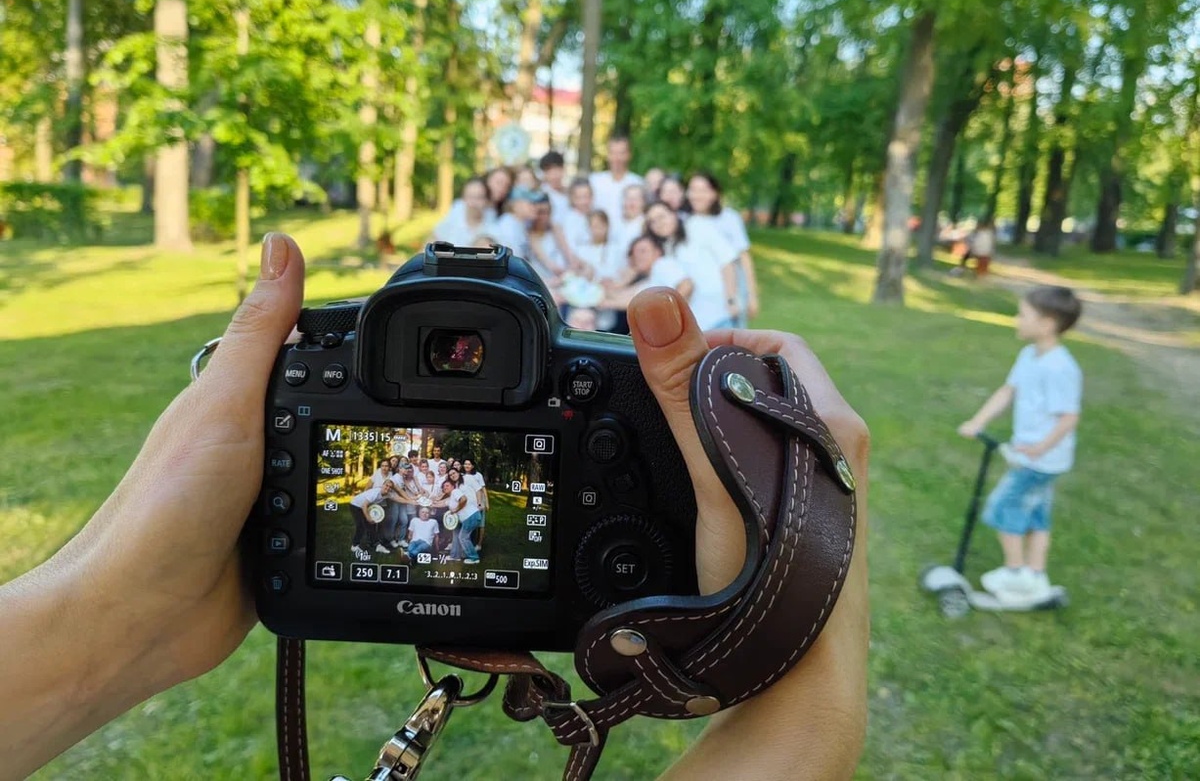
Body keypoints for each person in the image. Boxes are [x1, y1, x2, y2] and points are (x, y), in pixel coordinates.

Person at [0, 233, 868, 781]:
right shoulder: (403, 485)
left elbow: (445, 497)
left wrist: (118, 620)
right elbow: (397, 491)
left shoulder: (461, 489)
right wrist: (808, 574)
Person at [957, 285, 1084, 599]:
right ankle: (1035, 574)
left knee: (1004, 507)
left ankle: (1015, 573)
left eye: (1023, 314)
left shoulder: (1059, 367)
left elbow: (1069, 417)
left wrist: (1039, 449)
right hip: (1037, 456)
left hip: (1039, 459)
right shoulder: (1029, 355)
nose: (1017, 319)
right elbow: (1008, 391)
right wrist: (978, 421)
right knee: (1037, 514)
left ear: (1047, 323)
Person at [645, 201, 739, 332]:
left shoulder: (697, 225)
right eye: (652, 222)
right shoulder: (667, 248)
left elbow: (727, 260)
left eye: (662, 217)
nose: (658, 223)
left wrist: (731, 300)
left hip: (721, 315)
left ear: (673, 214)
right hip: (699, 324)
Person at [685, 172, 759, 325]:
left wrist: (752, 296)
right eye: (693, 189)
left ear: (714, 193)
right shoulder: (687, 221)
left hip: (731, 291)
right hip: (702, 299)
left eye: (703, 190)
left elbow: (743, 257)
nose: (697, 195)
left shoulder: (729, 218)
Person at [589, 134, 643, 221]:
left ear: (629, 155)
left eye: (621, 153)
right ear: (607, 155)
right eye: (613, 153)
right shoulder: (594, 181)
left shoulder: (638, 183)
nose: (617, 158)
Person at [431, 177, 491, 246]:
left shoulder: (492, 224)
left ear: (487, 200)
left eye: (479, 197)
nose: (473, 203)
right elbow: (434, 237)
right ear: (463, 198)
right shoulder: (454, 215)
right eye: (470, 197)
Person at [539, 150, 570, 218]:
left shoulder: (571, 193)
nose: (554, 176)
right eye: (549, 172)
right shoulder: (541, 195)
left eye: (556, 170)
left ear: (563, 169)